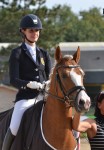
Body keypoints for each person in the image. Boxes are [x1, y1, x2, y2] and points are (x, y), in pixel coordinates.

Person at [2, 14, 51, 150]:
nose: (34, 33)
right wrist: (28, 84)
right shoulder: (17, 53)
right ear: (23, 31)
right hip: (26, 97)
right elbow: (13, 79)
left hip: (44, 96)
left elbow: (49, 76)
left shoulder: (44, 54)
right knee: (15, 125)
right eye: (31, 30)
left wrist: (47, 84)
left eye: (37, 30)